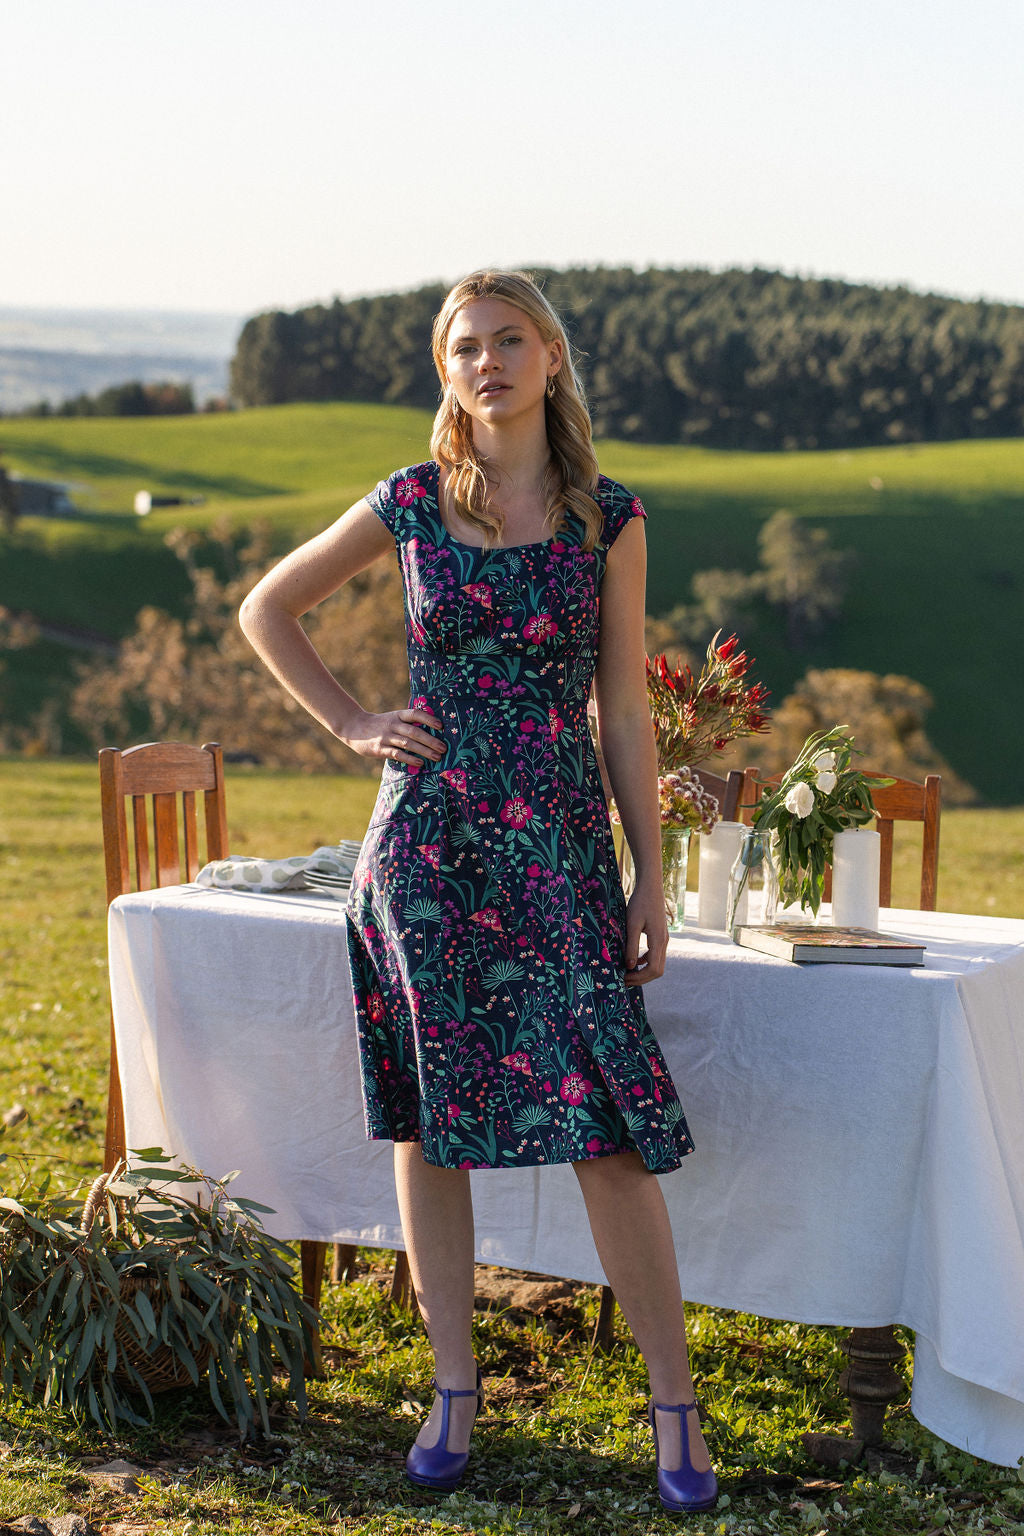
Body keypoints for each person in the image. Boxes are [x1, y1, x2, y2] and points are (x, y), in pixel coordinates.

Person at [238, 269, 717, 1515]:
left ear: (552, 361)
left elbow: (620, 710)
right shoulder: (405, 503)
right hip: (426, 854)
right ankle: (454, 1388)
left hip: (558, 853)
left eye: (510, 341)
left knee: (606, 1128)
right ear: (444, 370)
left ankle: (675, 1405)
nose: (487, 362)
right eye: (465, 347)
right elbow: (267, 607)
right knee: (432, 1128)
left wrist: (646, 871)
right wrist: (351, 721)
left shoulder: (607, 518)